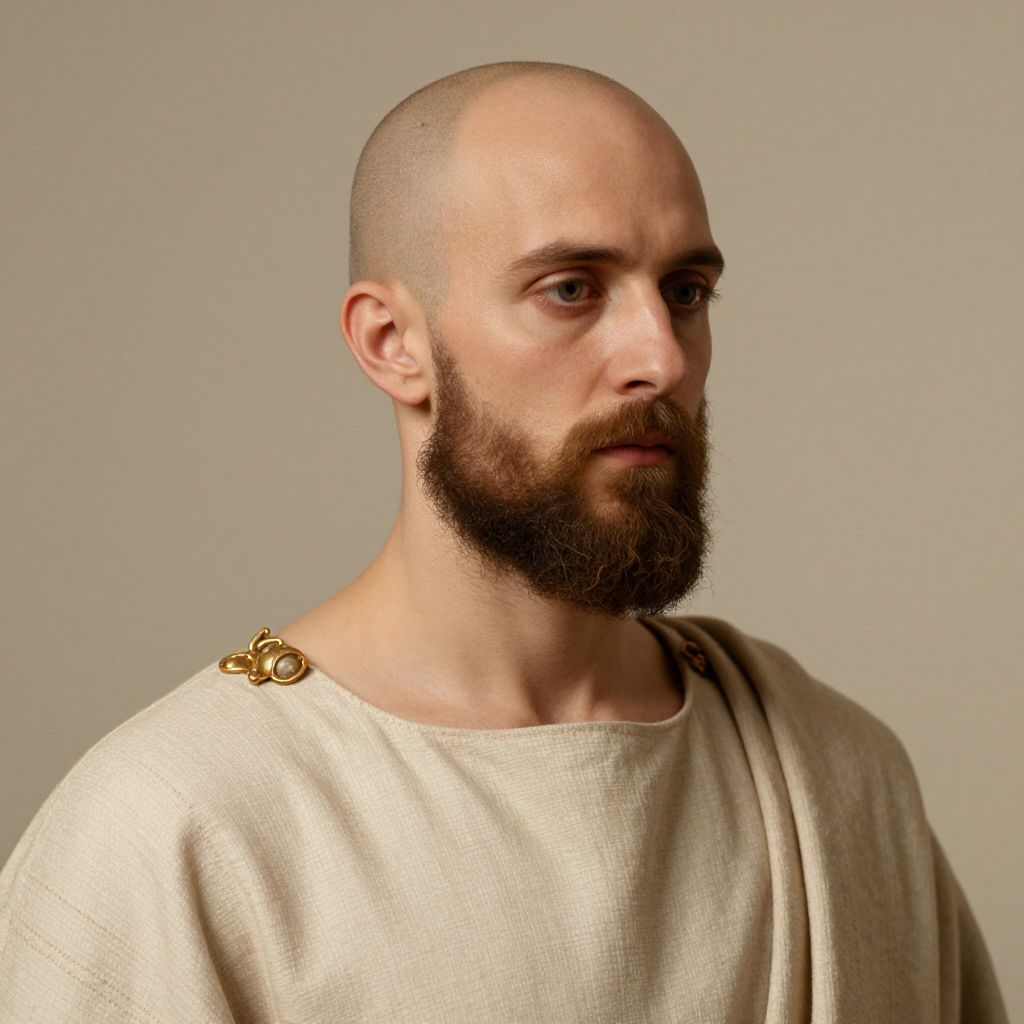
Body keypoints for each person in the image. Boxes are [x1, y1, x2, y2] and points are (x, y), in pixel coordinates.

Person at [0, 60, 1008, 1022]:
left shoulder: (839, 773)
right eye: (571, 288)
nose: (660, 357)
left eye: (685, 292)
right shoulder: (181, 825)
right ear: (393, 344)